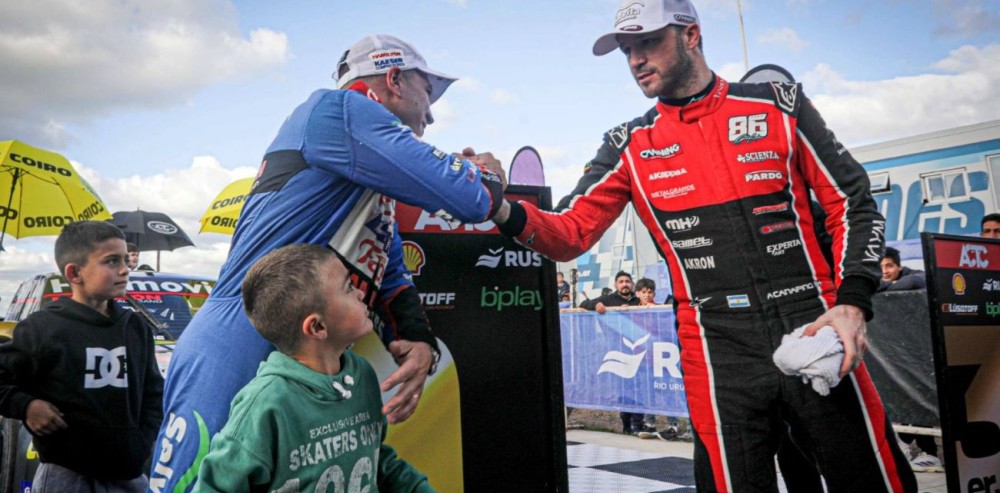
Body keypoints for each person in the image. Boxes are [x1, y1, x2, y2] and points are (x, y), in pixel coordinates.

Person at [488, 1, 916, 490]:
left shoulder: (778, 103)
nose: (635, 60)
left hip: (812, 322)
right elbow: (568, 234)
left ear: (691, 35)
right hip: (715, 344)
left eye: (648, 42)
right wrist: (498, 205)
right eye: (627, 49)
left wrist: (852, 304)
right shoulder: (628, 143)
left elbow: (853, 201)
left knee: (877, 480)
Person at [151, 34, 506, 492]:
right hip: (241, 337)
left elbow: (389, 271)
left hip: (306, 351)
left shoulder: (367, 180)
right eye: (428, 91)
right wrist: (489, 173)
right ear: (393, 79)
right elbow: (472, 198)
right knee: (192, 484)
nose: (432, 114)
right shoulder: (336, 110)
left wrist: (417, 339)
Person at [192, 244, 434, 492]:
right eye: (348, 288)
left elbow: (376, 459)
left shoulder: (362, 375)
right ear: (317, 327)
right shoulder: (265, 404)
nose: (361, 294)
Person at [0, 221, 163, 493]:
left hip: (130, 478)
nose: (124, 269)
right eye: (111, 261)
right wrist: (27, 406)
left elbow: (153, 392)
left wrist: (140, 443)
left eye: (126, 260)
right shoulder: (43, 328)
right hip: (66, 478)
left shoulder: (136, 328)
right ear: (75, 273)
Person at [579, 272, 656, 437]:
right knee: (624, 390)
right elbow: (583, 303)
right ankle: (626, 425)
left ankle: (638, 424)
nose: (625, 284)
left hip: (639, 351)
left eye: (628, 281)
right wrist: (596, 305)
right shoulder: (608, 299)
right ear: (616, 285)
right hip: (617, 351)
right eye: (621, 282)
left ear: (633, 284)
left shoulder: (638, 300)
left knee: (638, 389)